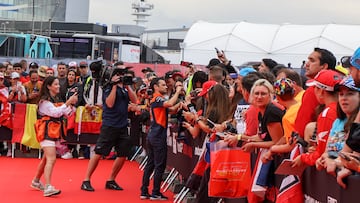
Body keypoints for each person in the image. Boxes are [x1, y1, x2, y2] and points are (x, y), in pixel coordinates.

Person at [81, 65, 137, 192]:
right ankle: (86, 180)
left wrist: (127, 86)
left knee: (123, 154)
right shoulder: (108, 88)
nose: (122, 76)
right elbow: (110, 104)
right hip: (110, 125)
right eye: (120, 74)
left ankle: (111, 180)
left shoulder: (125, 89)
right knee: (99, 152)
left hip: (122, 126)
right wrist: (114, 85)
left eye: (123, 74)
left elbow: (135, 100)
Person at [31, 76, 78, 197]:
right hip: (46, 132)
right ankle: (48, 187)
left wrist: (71, 105)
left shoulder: (55, 98)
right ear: (48, 86)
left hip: (52, 132)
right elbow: (55, 113)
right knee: (51, 159)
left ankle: (36, 181)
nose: (58, 86)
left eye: (58, 84)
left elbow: (65, 113)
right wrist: (67, 103)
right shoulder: (44, 101)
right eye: (56, 84)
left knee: (47, 159)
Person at [140, 77, 183, 200]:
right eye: (163, 85)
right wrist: (178, 91)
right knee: (159, 165)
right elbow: (169, 104)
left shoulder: (157, 100)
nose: (166, 86)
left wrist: (181, 103)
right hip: (158, 136)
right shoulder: (158, 98)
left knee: (150, 164)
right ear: (156, 87)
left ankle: (144, 191)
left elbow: (171, 110)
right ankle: (155, 192)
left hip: (153, 135)